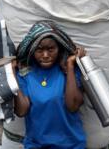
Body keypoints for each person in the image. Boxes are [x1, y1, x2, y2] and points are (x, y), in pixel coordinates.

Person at [13, 21, 86, 149]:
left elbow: (73, 106)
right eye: (39, 50)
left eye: (51, 49)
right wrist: (12, 74)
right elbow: (21, 110)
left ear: (59, 49)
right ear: (32, 50)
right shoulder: (25, 74)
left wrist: (69, 65)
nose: (45, 55)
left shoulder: (69, 72)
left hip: (71, 145)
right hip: (37, 145)